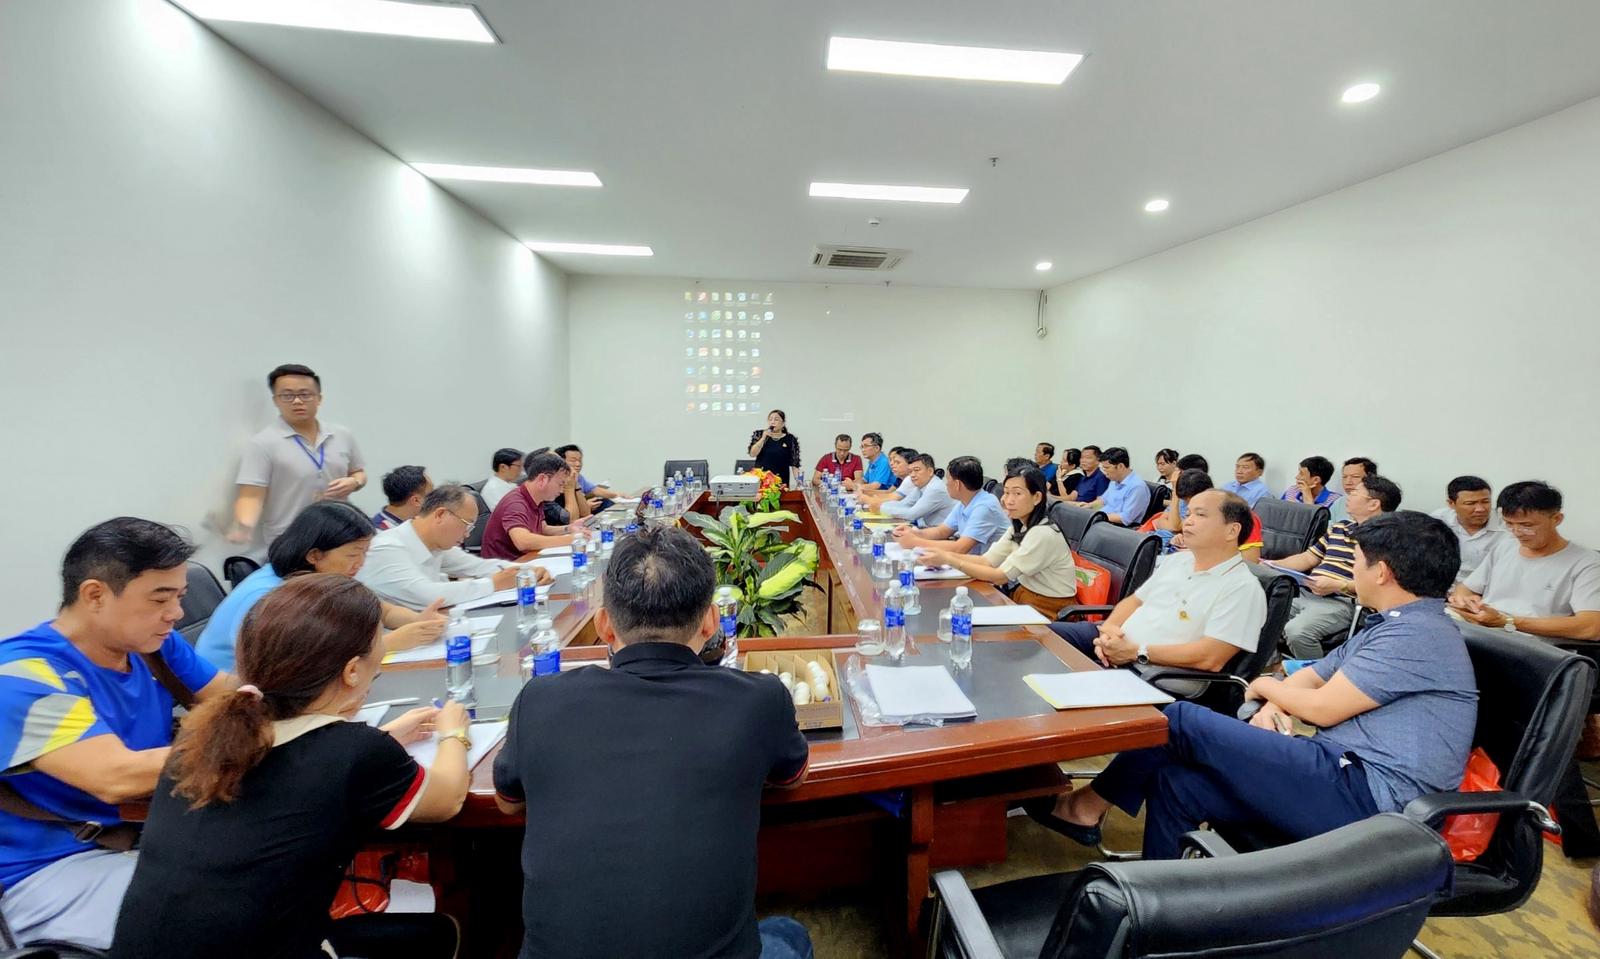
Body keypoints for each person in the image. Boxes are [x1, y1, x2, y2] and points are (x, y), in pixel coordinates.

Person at [1027, 511, 1476, 861]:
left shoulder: (1417, 636)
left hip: (1372, 799)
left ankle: (1085, 809)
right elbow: (1307, 678)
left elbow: (1320, 708)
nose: (1350, 570)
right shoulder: (1392, 625)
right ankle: (1162, 901)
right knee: (1176, 782)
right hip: (1337, 770)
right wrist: (1276, 700)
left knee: (1178, 720)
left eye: (1356, 561)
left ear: (1381, 572)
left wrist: (1265, 685)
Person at [492, 525, 812, 959]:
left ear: (604, 626)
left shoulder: (539, 700)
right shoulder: (760, 698)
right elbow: (791, 778)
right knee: (789, 935)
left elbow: (509, 802)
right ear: (711, 622)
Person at [111, 575, 470, 959]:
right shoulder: (356, 751)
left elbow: (298, 760)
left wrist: (386, 737)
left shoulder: (201, 738)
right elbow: (447, 799)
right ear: (352, 671)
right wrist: (454, 733)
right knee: (442, 931)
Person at [0, 518, 233, 950]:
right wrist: (241, 739)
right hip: (46, 872)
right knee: (230, 914)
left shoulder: (152, 646)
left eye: (180, 597)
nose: (176, 613)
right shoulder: (23, 678)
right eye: (160, 598)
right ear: (95, 595)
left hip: (144, 837)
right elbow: (116, 777)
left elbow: (230, 699)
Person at [1048, 490, 1266, 697]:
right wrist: (1109, 632)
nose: (1188, 521)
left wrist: (1135, 652)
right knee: (1038, 636)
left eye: (1200, 515)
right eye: (1188, 514)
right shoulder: (1178, 561)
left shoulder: (1242, 588)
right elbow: (1134, 602)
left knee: (1057, 692)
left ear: (1232, 531)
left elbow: (1210, 657)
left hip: (1152, 676)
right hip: (1119, 649)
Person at [195, 502, 447, 672]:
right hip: (237, 700)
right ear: (314, 555)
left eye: (364, 553)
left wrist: (417, 621)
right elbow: (293, 666)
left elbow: (384, 610)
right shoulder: (267, 597)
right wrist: (386, 644)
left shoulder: (324, 576)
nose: (360, 563)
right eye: (353, 555)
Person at [230, 364, 366, 554]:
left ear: (319, 398)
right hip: (290, 541)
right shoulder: (263, 443)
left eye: (305, 394)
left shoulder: (342, 435)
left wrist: (355, 482)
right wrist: (244, 525)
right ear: (276, 400)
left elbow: (358, 472)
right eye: (287, 395)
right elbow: (251, 494)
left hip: (339, 536)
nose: (297, 401)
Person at [1269, 474, 1403, 660]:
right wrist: (1271, 565)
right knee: (1259, 613)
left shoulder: (1389, 539)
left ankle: (1318, 674)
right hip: (1307, 592)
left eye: (1355, 493)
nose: (1348, 496)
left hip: (1342, 602)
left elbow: (1382, 586)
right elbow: (1308, 558)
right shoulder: (1341, 527)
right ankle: (1271, 667)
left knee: (1297, 631)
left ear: (1373, 504)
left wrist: (1339, 585)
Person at [1451, 481, 1600, 641]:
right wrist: (1467, 603)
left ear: (1556, 519)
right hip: (1482, 635)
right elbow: (1465, 589)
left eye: (1526, 525)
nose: (1517, 532)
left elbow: (1591, 627)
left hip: (1530, 648)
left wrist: (1507, 622)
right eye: (1509, 524)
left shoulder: (1587, 563)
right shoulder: (1506, 546)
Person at [356, 486, 544, 609]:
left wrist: (529, 571)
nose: (467, 534)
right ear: (440, 515)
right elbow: (429, 595)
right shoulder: (387, 548)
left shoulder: (434, 543)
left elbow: (478, 566)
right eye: (467, 525)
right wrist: (493, 584)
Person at [925, 467, 1078, 617]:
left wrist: (949, 559)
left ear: (1037, 497)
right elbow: (987, 561)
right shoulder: (1019, 526)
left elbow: (1000, 576)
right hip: (1024, 597)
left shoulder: (1043, 533)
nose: (1008, 500)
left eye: (1017, 493)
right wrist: (942, 555)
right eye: (1006, 492)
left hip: (1050, 608)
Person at [481, 451, 594, 560]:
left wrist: (569, 528)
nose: (561, 490)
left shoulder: (535, 497)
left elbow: (542, 528)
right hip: (506, 566)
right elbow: (523, 542)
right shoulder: (516, 503)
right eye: (560, 484)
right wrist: (572, 539)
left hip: (526, 559)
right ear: (542, 479)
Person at [891, 456, 1008, 555]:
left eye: (948, 480)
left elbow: (960, 548)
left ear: (957, 484)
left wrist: (914, 542)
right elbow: (941, 531)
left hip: (990, 570)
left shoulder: (984, 507)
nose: (946, 484)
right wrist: (914, 533)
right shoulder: (965, 501)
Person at [1142, 469, 1264, 563]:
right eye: (1188, 512)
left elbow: (1250, 562)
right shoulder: (1197, 514)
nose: (1188, 520)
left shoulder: (1242, 515)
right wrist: (1182, 540)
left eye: (1198, 512)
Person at [1430, 476, 1505, 582]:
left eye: (1485, 501)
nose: (1480, 509)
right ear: (1451, 504)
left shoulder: (1507, 525)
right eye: (1470, 503)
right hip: (1445, 585)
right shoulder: (1438, 520)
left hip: (1489, 585)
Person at [1071, 446, 1150, 527]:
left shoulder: (1137, 487)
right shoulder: (1114, 480)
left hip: (1117, 527)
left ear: (1120, 466)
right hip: (1103, 520)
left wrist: (1096, 516)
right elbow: (1103, 500)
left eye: (1107, 468)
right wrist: (1089, 506)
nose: (1104, 472)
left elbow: (1125, 518)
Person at [879, 453, 956, 529]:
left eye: (916, 470)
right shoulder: (921, 486)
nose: (912, 475)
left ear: (930, 471)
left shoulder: (935, 489)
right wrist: (881, 506)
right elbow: (903, 504)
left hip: (944, 534)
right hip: (930, 529)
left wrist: (880, 508)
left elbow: (911, 515)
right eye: (910, 471)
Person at [555, 444, 621, 514]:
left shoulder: (579, 477)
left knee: (605, 502)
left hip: (580, 510)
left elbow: (595, 490)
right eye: (573, 460)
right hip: (566, 514)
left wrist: (618, 495)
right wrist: (585, 506)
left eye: (580, 460)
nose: (578, 464)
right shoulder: (557, 481)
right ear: (561, 462)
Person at [748, 409, 801, 486]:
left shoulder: (790, 439)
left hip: (781, 480)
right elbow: (752, 454)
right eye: (770, 419)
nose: (772, 422)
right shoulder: (759, 434)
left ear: (783, 423)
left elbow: (795, 463)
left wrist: (799, 482)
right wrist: (763, 438)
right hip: (762, 478)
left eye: (776, 419)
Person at [371, 465, 431, 531]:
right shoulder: (378, 532)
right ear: (416, 500)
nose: (435, 499)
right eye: (432, 494)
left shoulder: (416, 524)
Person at [1327, 457, 1379, 524]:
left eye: (1355, 476)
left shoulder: (1378, 502)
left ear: (1371, 478)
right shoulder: (1339, 502)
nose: (1348, 482)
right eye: (1344, 477)